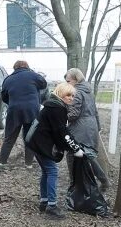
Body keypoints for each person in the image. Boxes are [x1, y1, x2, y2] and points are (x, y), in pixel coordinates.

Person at [25, 83, 84, 219]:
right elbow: (62, 132)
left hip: (35, 142)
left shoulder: (52, 105)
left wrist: (73, 145)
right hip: (40, 144)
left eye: (73, 96)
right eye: (68, 95)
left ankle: (44, 202)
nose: (71, 98)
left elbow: (61, 131)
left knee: (46, 172)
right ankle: (52, 206)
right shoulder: (57, 109)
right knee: (52, 171)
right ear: (60, 94)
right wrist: (75, 148)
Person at [64, 68, 110, 192]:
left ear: (75, 79)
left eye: (68, 81)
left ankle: (74, 184)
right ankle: (102, 180)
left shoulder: (77, 92)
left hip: (80, 127)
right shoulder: (88, 90)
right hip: (91, 125)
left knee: (72, 153)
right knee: (87, 154)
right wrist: (98, 126)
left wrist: (61, 116)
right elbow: (94, 110)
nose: (67, 83)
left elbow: (74, 114)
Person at [0, 60, 47, 168]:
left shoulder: (8, 79)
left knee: (9, 137)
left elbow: (4, 96)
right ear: (27, 67)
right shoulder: (33, 75)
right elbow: (44, 84)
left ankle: (1, 162)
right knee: (29, 136)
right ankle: (28, 163)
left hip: (14, 110)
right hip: (31, 110)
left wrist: (13, 103)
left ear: (15, 68)